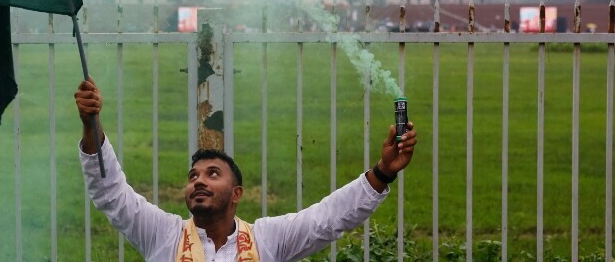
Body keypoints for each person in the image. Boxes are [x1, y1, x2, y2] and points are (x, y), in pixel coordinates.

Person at [75, 78, 417, 262]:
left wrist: (383, 172)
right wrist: (92, 125)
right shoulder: (163, 234)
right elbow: (111, 194)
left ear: (237, 194)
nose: (198, 181)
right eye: (193, 176)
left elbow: (328, 218)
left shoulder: (267, 239)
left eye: (212, 174)